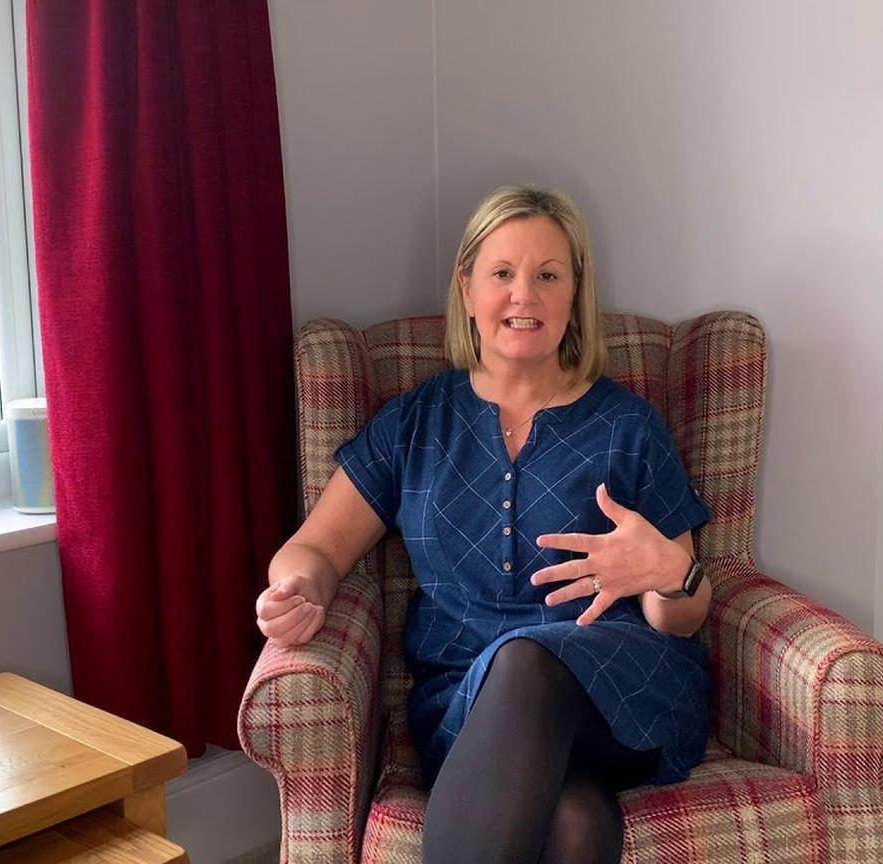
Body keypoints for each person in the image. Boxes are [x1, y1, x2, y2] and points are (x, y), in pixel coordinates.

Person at [255, 185, 713, 864]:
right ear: (467, 289)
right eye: (502, 273)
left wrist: (672, 574)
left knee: (527, 659)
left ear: (574, 295)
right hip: (466, 706)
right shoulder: (415, 423)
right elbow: (315, 548)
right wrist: (299, 588)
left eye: (548, 276)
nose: (524, 295)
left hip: (623, 689)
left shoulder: (629, 427)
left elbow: (684, 617)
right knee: (575, 820)